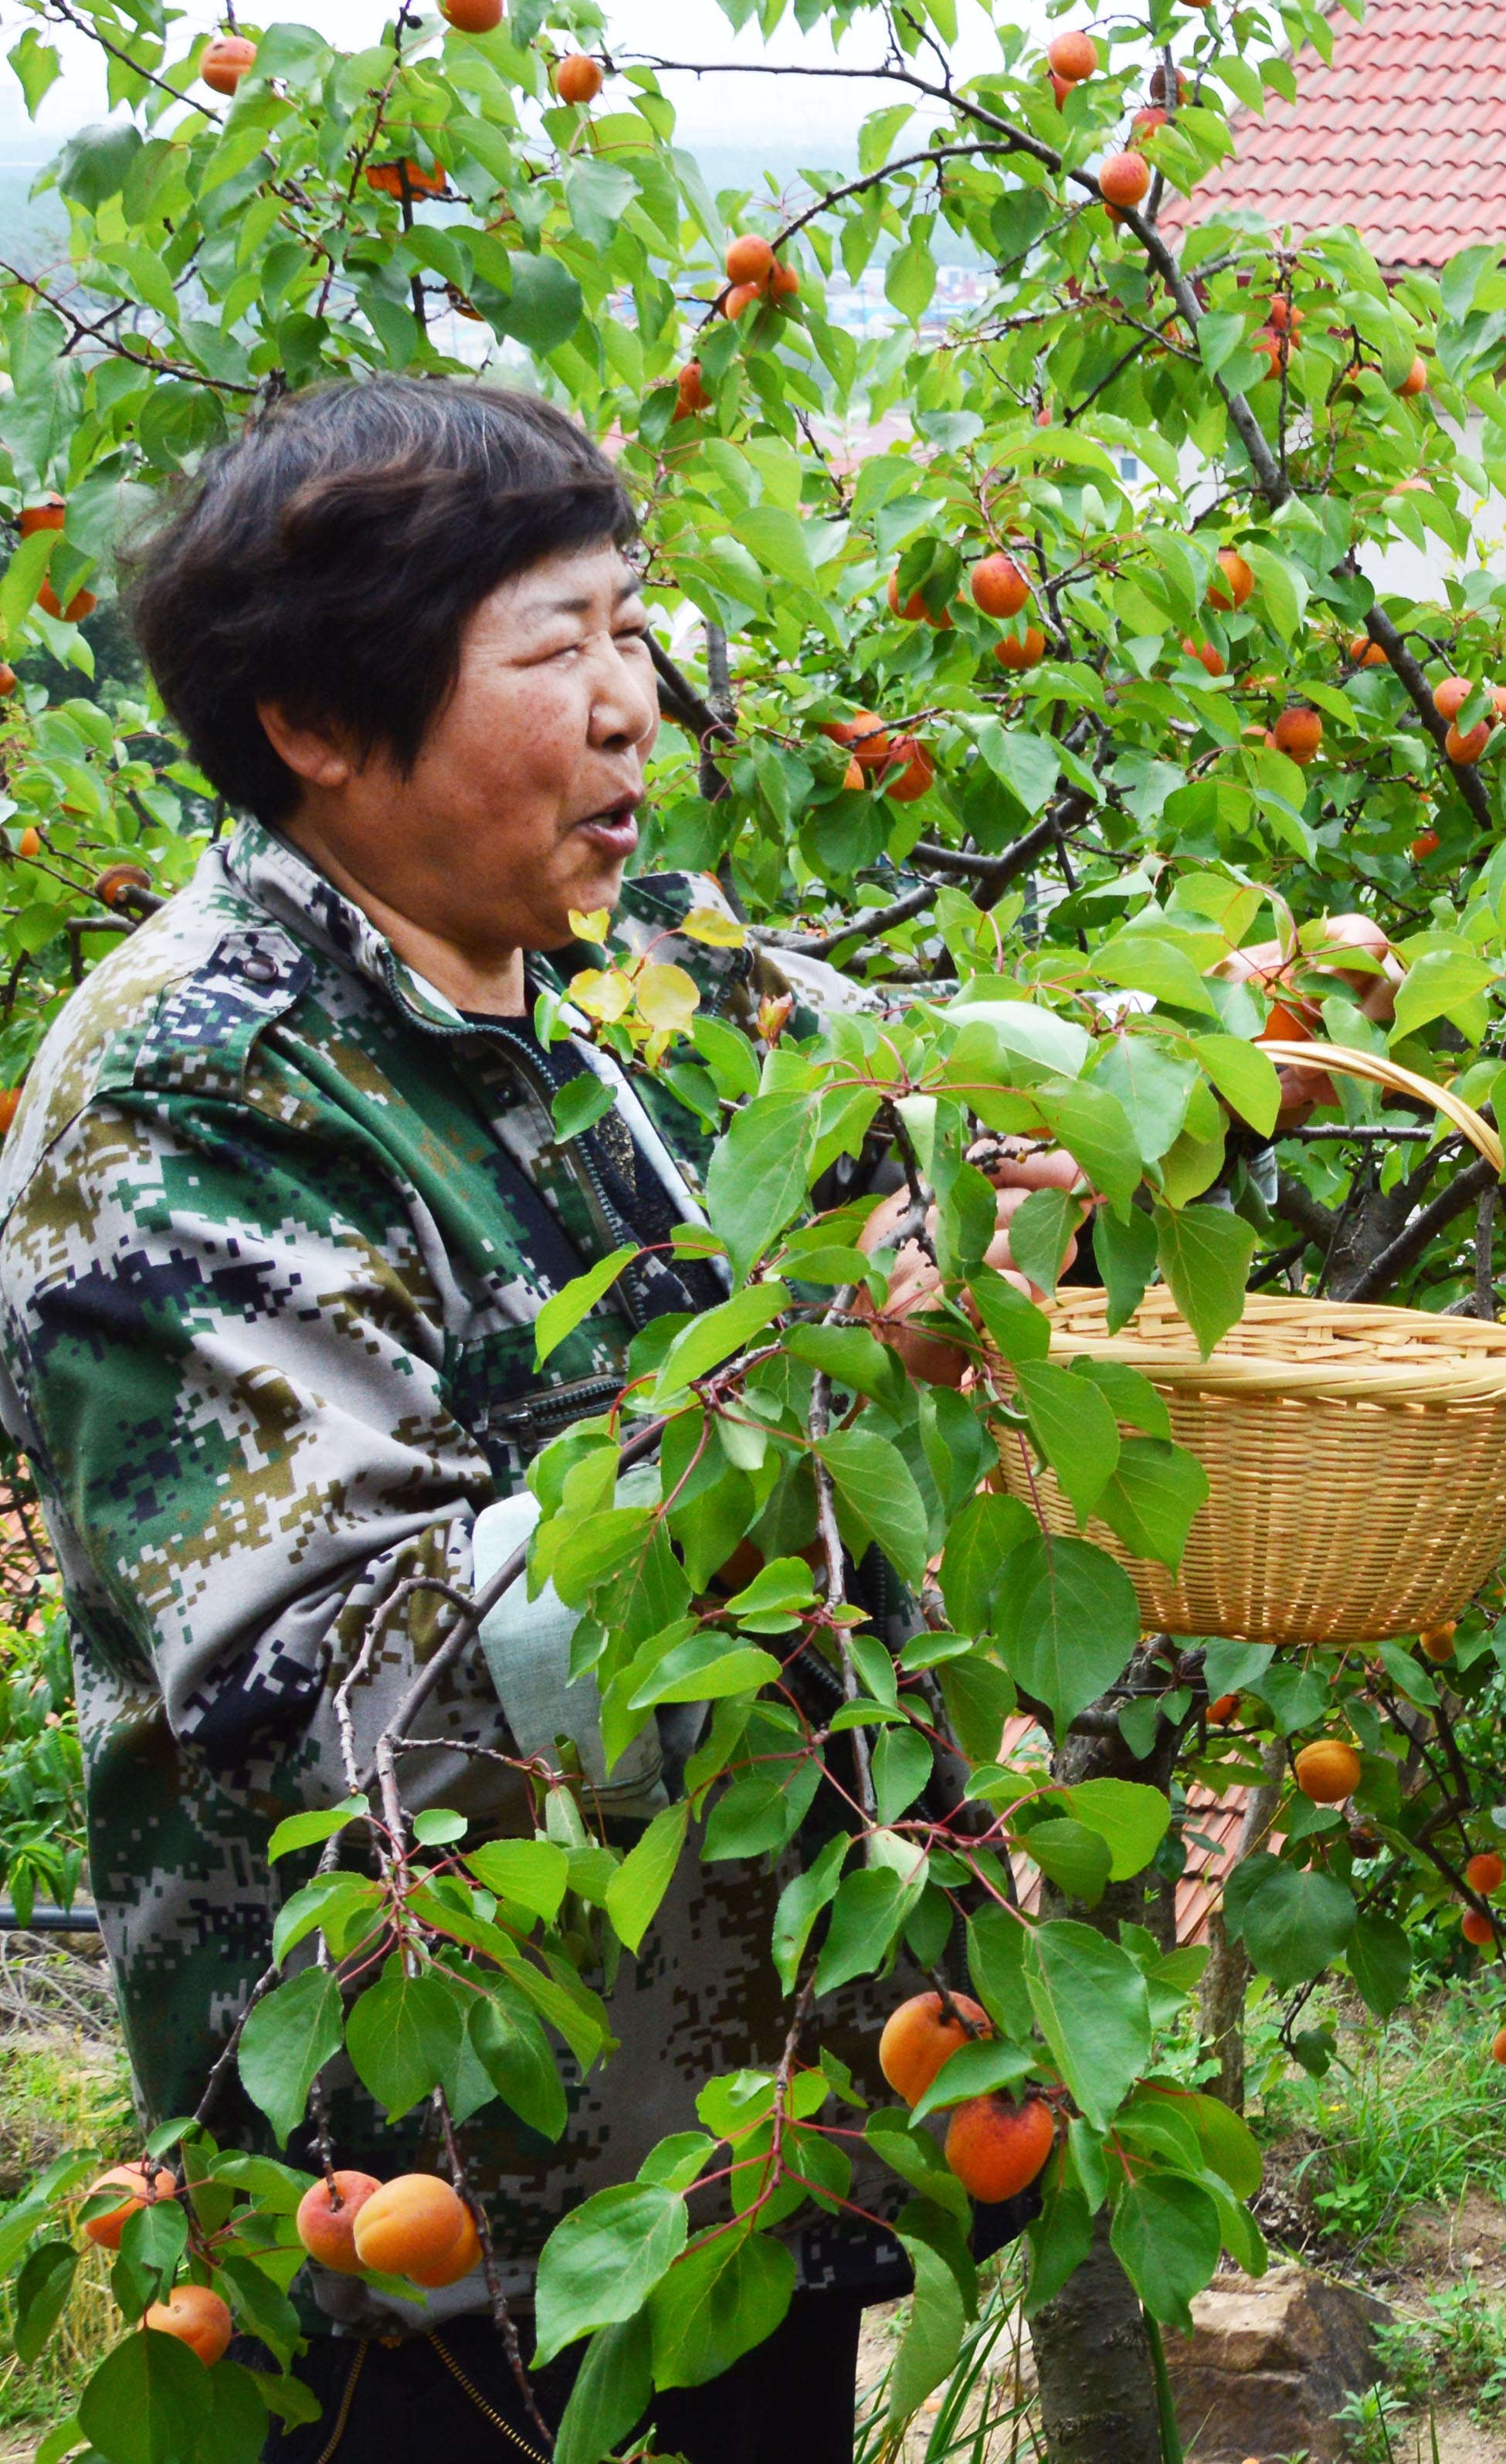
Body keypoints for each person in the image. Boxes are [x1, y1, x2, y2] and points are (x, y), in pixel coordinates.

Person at [0, 378, 917, 2459]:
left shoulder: (649, 987)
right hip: (426, 2222)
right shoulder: (193, 1095)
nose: (630, 707)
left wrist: (1104, 1121)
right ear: (317, 728)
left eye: (632, 628)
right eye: (556, 648)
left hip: (739, 2151)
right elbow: (350, 1687)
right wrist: (815, 1391)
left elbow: (949, 1110)